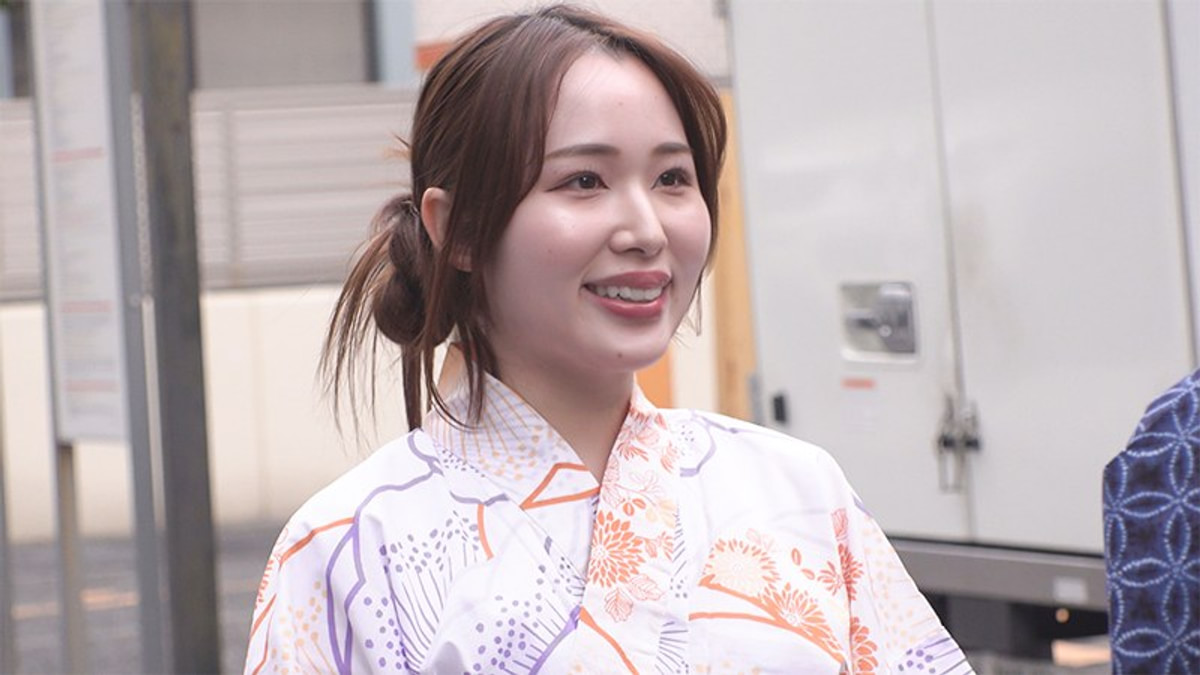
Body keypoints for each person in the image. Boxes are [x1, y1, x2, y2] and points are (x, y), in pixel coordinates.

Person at [244, 5, 971, 673]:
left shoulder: (801, 490)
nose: (647, 230)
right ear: (457, 229)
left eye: (673, 178)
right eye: (585, 181)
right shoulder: (347, 547)